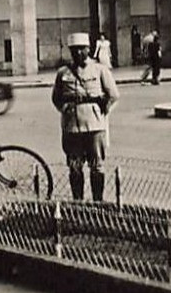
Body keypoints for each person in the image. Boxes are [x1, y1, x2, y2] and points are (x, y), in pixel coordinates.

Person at [50, 33, 119, 201]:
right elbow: (56, 98)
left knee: (97, 167)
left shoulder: (100, 69)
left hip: (95, 126)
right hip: (71, 127)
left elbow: (113, 95)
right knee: (74, 167)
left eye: (82, 49)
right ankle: (78, 203)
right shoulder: (63, 73)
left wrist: (101, 112)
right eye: (74, 50)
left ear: (89, 49)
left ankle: (97, 202)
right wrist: (65, 110)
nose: (78, 53)